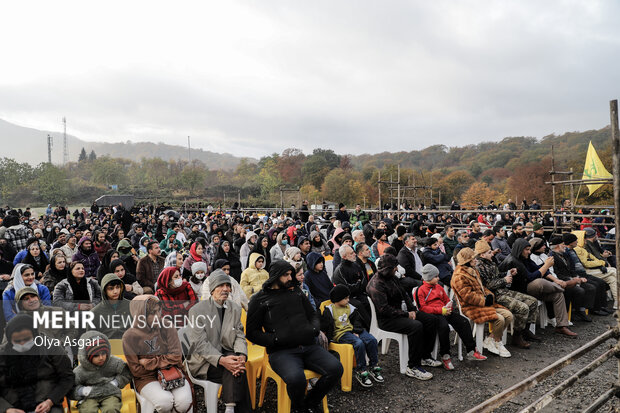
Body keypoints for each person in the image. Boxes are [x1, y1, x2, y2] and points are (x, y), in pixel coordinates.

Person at [246, 260, 343, 413]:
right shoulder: (259, 299)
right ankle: (299, 407)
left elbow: (313, 314)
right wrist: (275, 340)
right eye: (286, 275)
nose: (290, 278)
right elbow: (252, 332)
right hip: (281, 352)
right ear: (275, 276)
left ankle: (310, 402)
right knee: (296, 380)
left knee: (336, 369)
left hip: (309, 346)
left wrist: (314, 329)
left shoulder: (296, 291)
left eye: (291, 274)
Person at [366, 253, 440, 380]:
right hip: (386, 320)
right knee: (416, 326)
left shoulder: (392, 277)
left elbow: (404, 294)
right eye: (394, 267)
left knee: (430, 319)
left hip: (399, 313)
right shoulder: (376, 284)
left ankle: (424, 356)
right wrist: (406, 314)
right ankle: (413, 366)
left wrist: (413, 310)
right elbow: (384, 309)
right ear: (387, 268)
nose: (396, 269)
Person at [186, 271, 252, 413]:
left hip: (227, 352)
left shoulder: (235, 308)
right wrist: (222, 360)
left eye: (228, 285)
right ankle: (231, 408)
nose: (226, 289)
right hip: (203, 361)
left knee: (236, 365)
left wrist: (241, 354)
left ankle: (230, 407)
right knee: (237, 369)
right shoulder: (197, 311)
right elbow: (200, 344)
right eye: (221, 285)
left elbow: (239, 335)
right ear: (212, 289)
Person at [122, 295, 192, 413]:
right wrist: (164, 360)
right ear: (140, 315)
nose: (157, 316)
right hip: (146, 378)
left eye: (158, 311)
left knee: (183, 403)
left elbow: (176, 357)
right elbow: (136, 370)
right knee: (164, 402)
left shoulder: (167, 326)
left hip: (172, 371)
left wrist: (149, 362)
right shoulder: (129, 337)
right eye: (151, 313)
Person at [498, 239, 576, 338]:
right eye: (527, 249)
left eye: (529, 249)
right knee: (539, 281)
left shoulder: (524, 258)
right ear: (520, 249)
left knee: (558, 295)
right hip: (518, 291)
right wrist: (546, 265)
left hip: (529, 289)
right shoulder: (513, 261)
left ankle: (561, 326)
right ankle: (563, 287)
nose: (529, 252)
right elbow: (530, 277)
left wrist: (556, 280)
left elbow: (537, 268)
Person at [416, 264, 487, 369]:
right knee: (444, 328)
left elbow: (446, 299)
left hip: (445, 311)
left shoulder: (438, 286)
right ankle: (445, 355)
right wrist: (440, 310)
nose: (438, 278)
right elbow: (422, 308)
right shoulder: (420, 290)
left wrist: (449, 304)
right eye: (436, 277)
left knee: (463, 321)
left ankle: (471, 350)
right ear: (429, 278)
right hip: (435, 314)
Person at [0, 314, 75, 413]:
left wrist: (50, 401)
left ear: (35, 334)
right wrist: (6, 409)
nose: (22, 344)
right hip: (12, 405)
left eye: (26, 339)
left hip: (46, 403)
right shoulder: (3, 354)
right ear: (10, 340)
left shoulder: (51, 348)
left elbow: (67, 377)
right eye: (17, 341)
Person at [474, 241, 539, 347]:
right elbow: (487, 286)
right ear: (482, 254)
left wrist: (508, 272)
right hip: (494, 296)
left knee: (532, 301)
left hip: (502, 291)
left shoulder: (490, 262)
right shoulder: (479, 267)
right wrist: (504, 280)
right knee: (522, 308)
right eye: (489, 252)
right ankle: (517, 336)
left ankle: (524, 331)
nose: (492, 253)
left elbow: (497, 275)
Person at [452, 248, 513, 357]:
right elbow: (467, 296)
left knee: (508, 315)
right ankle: (497, 341)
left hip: (481, 304)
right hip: (470, 307)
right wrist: (484, 300)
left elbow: (482, 287)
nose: (476, 260)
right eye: (474, 258)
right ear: (468, 261)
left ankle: (491, 339)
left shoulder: (473, 270)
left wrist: (489, 295)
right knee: (499, 318)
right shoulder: (459, 276)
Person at [321, 285, 383, 387]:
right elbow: (324, 324)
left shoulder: (350, 307)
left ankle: (373, 365)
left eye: (348, 297)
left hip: (353, 330)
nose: (348, 300)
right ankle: (361, 371)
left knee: (371, 339)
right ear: (338, 299)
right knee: (359, 343)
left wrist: (356, 331)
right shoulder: (329, 310)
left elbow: (357, 321)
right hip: (341, 334)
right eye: (345, 298)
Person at [71, 331, 132, 413]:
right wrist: (83, 391)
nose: (101, 358)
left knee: (111, 409)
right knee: (88, 410)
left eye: (103, 353)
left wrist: (115, 383)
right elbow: (71, 387)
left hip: (110, 393)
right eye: (96, 355)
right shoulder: (80, 371)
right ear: (87, 356)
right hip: (89, 396)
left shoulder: (113, 362)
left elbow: (126, 372)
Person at [573, 230, 618, 309]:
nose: (585, 239)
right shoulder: (578, 249)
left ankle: (617, 303)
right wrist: (602, 263)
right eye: (583, 238)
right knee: (614, 271)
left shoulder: (582, 248)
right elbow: (586, 263)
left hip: (592, 269)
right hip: (587, 271)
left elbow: (593, 258)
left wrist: (602, 262)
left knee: (612, 279)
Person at [92, 274, 132, 339]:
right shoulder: (95, 313)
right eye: (111, 288)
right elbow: (90, 338)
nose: (115, 291)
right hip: (106, 347)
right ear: (104, 291)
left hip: (128, 345)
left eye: (117, 287)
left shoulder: (131, 306)